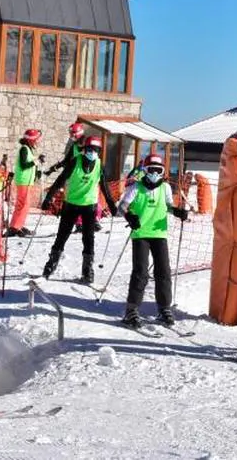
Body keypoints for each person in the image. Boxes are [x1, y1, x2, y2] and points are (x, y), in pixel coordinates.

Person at [117, 153, 188, 328]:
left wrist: (177, 211)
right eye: (151, 170)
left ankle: (164, 309)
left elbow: (169, 206)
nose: (155, 173)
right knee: (141, 272)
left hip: (159, 234)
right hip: (141, 234)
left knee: (163, 272)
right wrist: (129, 216)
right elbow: (122, 206)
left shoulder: (165, 188)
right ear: (145, 170)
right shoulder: (136, 187)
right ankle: (131, 310)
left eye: (158, 170)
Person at [41, 135, 117, 284]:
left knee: (88, 239)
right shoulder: (75, 161)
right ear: (85, 149)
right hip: (71, 204)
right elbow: (60, 180)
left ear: (99, 151)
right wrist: (48, 197)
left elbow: (105, 188)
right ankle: (51, 264)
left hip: (89, 206)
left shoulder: (99, 166)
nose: (92, 152)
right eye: (89, 149)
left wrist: (112, 204)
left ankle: (87, 270)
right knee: (62, 236)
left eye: (95, 150)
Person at [8, 128, 43, 237]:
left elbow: (30, 164)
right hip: (23, 181)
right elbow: (24, 165)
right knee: (24, 205)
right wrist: (36, 161)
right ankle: (16, 227)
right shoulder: (24, 149)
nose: (38, 141)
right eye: (36, 139)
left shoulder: (28, 149)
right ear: (31, 140)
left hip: (26, 181)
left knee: (23, 205)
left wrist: (38, 171)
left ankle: (17, 225)